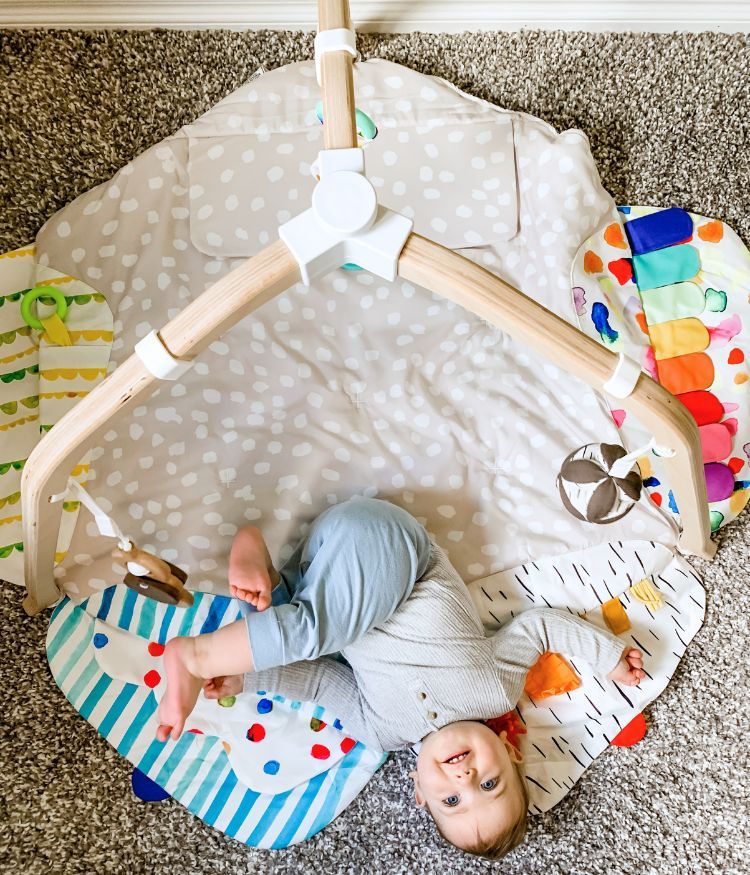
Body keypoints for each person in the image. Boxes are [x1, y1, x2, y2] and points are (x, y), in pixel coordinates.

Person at [157, 497, 645, 859]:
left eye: (452, 799)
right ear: (510, 753)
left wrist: (249, 683)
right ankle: (194, 655)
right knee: (310, 631)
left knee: (286, 622)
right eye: (492, 783)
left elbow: (316, 683)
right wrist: (606, 655)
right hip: (394, 552)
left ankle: (255, 563)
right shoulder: (497, 689)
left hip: (318, 570)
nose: (465, 776)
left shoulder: (380, 729)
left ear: (418, 790)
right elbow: (539, 626)